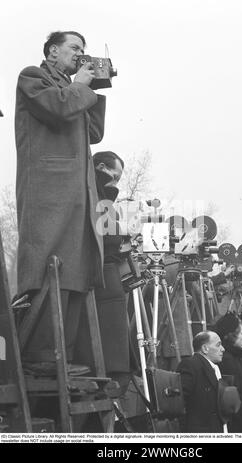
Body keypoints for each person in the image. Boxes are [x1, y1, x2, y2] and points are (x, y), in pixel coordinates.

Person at [15, 31, 106, 374]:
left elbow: (94, 132)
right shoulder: (33, 77)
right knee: (47, 259)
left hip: (76, 192)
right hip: (48, 190)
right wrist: (81, 84)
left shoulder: (74, 89)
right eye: (74, 48)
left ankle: (61, 353)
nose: (81, 54)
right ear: (53, 51)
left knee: (75, 265)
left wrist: (94, 87)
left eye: (84, 50)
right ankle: (40, 352)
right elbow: (58, 108)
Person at [75, 151, 132, 391]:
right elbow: (106, 233)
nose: (116, 183)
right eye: (115, 176)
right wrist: (123, 232)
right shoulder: (96, 193)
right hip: (98, 274)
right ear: (100, 166)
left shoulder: (95, 191)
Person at [177, 331, 233, 432]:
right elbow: (180, 402)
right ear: (205, 348)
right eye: (218, 345)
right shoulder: (190, 365)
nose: (223, 349)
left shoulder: (214, 367)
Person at [215, 312, 242, 432]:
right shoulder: (228, 360)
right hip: (237, 424)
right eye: (241, 333)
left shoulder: (232, 357)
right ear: (230, 335)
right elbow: (236, 395)